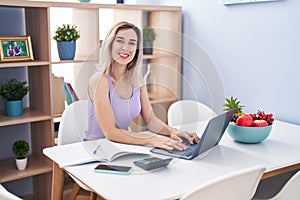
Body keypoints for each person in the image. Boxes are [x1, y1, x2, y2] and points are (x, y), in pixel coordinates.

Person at [87, 21, 199, 151]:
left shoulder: (136, 79)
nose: (125, 48)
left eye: (132, 43)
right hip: (97, 150)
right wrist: (151, 139)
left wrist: (173, 132)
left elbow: (151, 120)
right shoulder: (100, 80)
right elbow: (111, 132)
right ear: (110, 44)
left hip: (122, 147)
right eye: (120, 41)